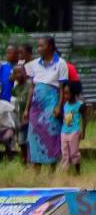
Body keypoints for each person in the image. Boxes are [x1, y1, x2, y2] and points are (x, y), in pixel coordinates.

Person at [24, 35, 69, 168]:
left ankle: (52, 169)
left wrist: (59, 106)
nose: (38, 49)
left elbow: (62, 88)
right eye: (38, 46)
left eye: (41, 46)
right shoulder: (34, 64)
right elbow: (32, 87)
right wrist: (27, 108)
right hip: (36, 105)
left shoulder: (61, 63)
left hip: (51, 102)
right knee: (34, 136)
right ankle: (36, 168)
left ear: (49, 47)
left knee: (51, 134)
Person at [58, 82, 86, 174]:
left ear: (74, 93)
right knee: (65, 152)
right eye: (64, 93)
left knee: (74, 152)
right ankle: (65, 172)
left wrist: (83, 132)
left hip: (74, 132)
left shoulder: (80, 105)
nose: (65, 96)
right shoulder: (65, 105)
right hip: (64, 132)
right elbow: (65, 117)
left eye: (67, 93)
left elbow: (84, 119)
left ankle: (78, 172)